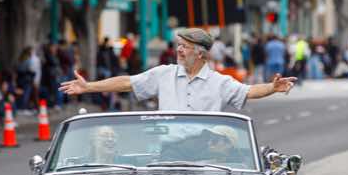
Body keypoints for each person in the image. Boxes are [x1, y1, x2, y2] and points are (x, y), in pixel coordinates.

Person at [59, 28, 296, 112]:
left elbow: (249, 91)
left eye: (185, 47)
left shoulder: (219, 82)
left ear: (200, 53)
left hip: (206, 158)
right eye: (179, 45)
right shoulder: (164, 73)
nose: (179, 50)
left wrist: (272, 87)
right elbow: (127, 82)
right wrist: (89, 87)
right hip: (167, 154)